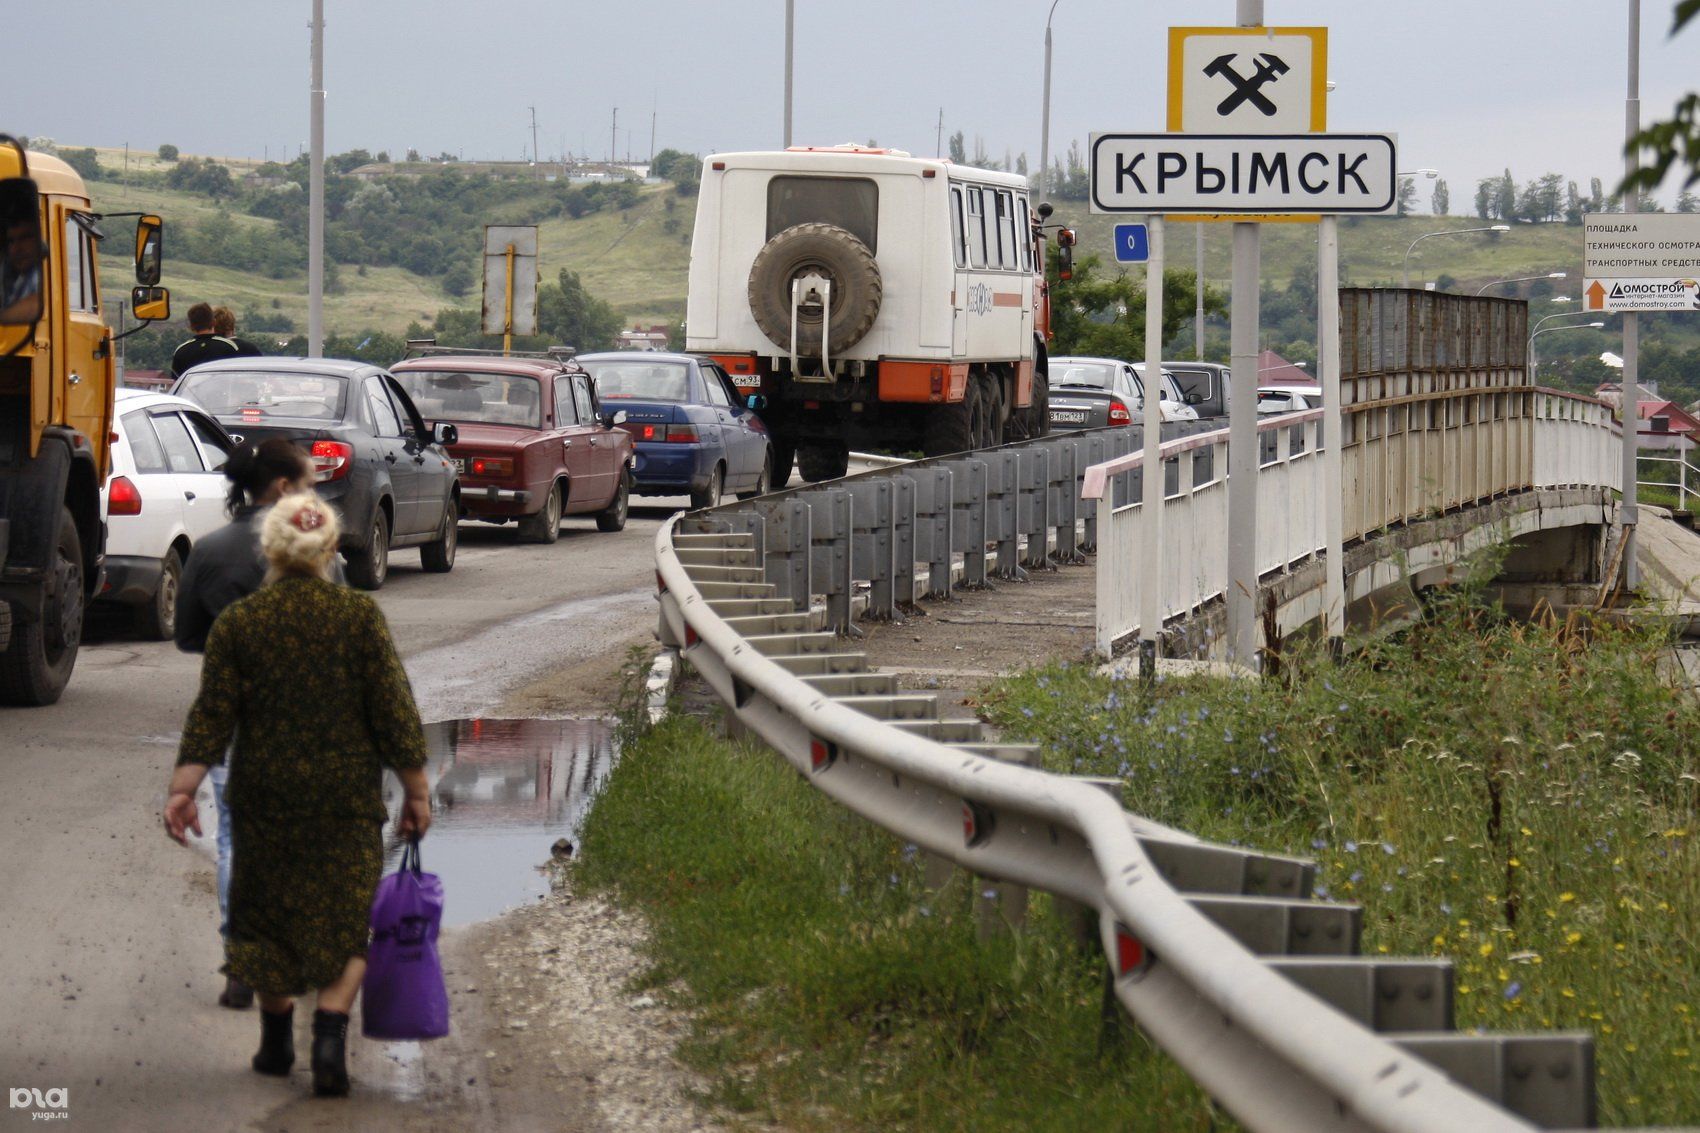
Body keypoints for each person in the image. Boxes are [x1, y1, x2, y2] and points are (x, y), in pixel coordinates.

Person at [163, 493, 431, 1098]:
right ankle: (330, 1037)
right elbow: (394, 710)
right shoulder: (359, 618)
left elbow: (212, 715)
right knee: (345, 921)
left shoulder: (241, 623)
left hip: (265, 798)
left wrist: (183, 789)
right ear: (330, 549)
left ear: (270, 551)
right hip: (345, 799)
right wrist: (417, 791)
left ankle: (277, 1040)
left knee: (267, 918)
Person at [175, 438, 326, 1010]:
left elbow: (187, 635)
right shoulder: (310, 547)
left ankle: (242, 961)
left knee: (235, 837)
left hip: (235, 716)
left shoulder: (210, 550)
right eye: (309, 486)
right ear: (284, 488)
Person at [169, 302, 240, 378]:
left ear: (191, 326)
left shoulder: (181, 351)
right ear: (214, 322)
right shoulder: (229, 347)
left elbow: (177, 380)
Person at [0, 217, 42, 323]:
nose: (16, 249)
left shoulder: (45, 272)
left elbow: (39, 303)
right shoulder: (11, 273)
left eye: (25, 238)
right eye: (11, 241)